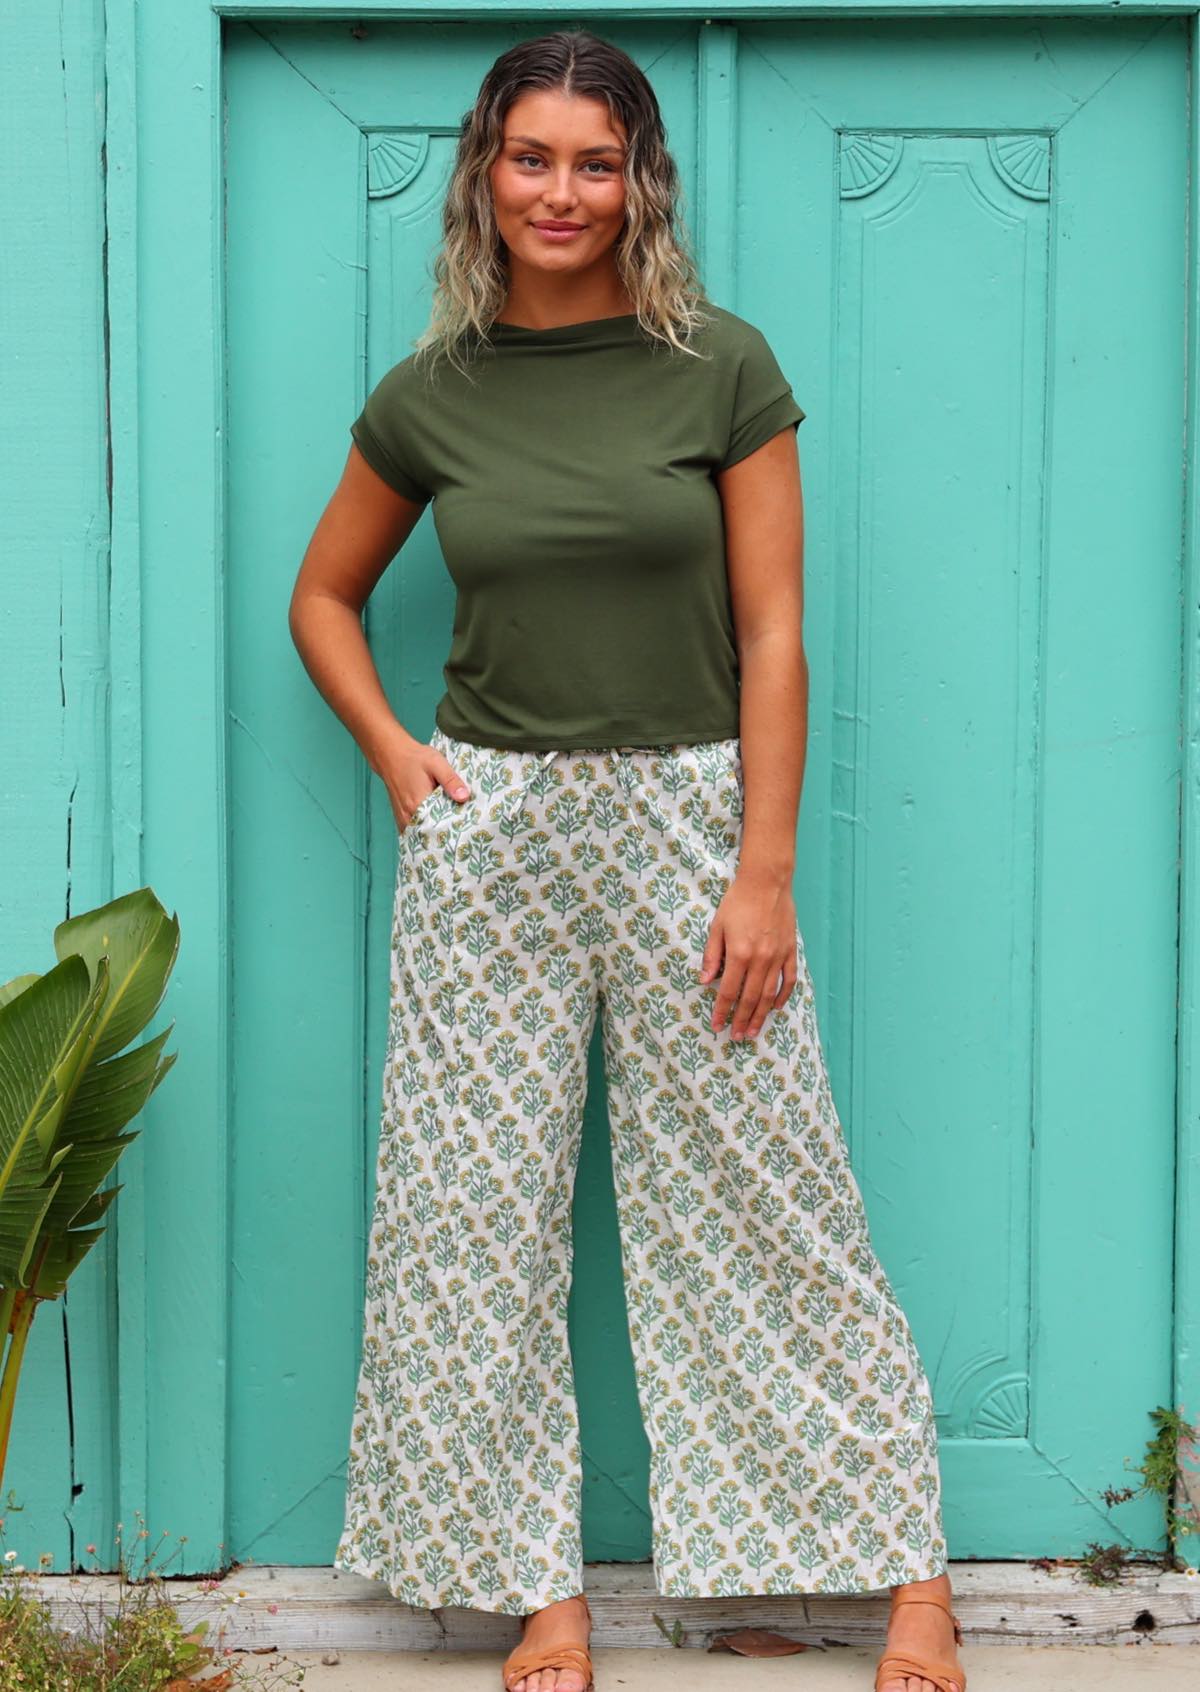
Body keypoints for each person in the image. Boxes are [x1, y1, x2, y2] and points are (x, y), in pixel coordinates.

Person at [289, 27, 966, 1692]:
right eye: (534, 158)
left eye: (598, 161)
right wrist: (399, 759)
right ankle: (543, 1595)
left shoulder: (717, 366)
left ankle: (911, 1580)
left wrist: (765, 867)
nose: (563, 192)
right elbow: (322, 599)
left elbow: (777, 631)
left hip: (691, 826)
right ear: (485, 173)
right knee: (475, 1218)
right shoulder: (430, 392)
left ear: (639, 180)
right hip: (494, 837)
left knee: (769, 1196)